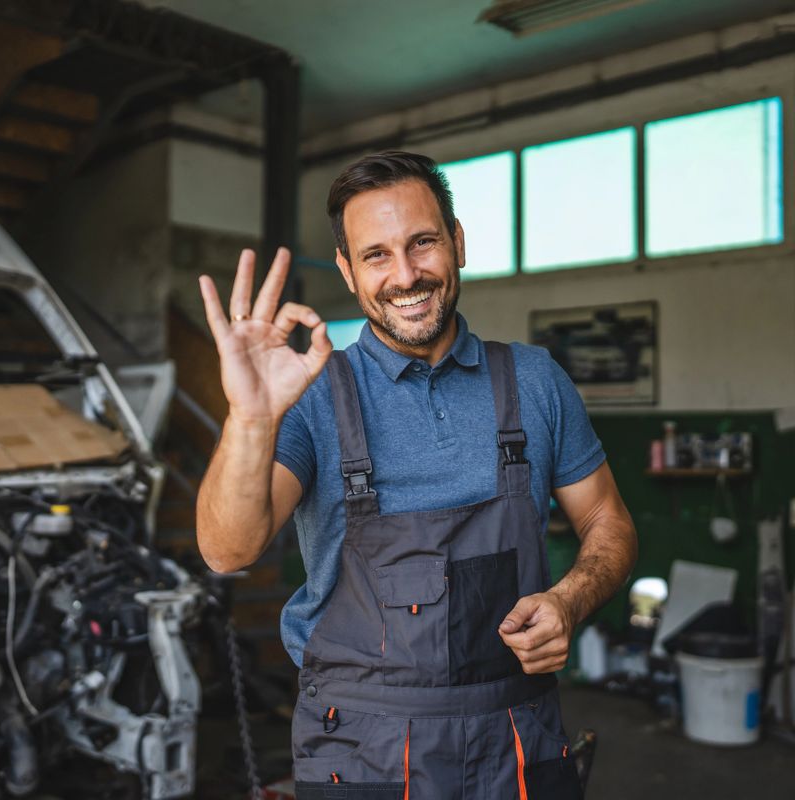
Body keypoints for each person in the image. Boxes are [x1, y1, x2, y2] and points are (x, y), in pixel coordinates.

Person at [197, 151, 637, 800]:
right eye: (376, 255)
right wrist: (250, 417)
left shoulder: (536, 381)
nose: (406, 275)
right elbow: (226, 549)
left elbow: (608, 522)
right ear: (348, 272)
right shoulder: (315, 394)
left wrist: (567, 601)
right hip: (360, 749)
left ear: (457, 242)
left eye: (423, 243)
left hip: (516, 733)